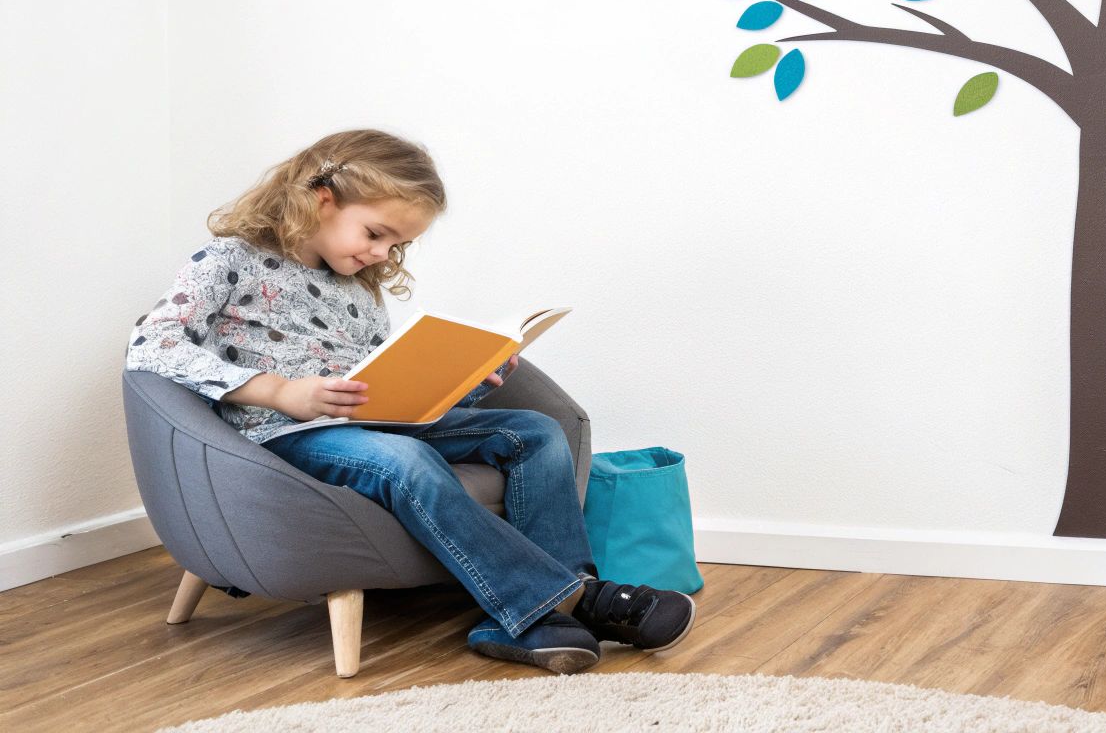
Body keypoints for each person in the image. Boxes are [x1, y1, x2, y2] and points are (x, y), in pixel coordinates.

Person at [125, 128, 694, 673]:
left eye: (397, 245)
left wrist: (470, 376)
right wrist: (279, 392)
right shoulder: (229, 259)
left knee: (535, 431)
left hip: (377, 422)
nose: (382, 254)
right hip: (285, 434)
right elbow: (151, 346)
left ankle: (534, 617)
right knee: (406, 463)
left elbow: (385, 377)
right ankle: (579, 600)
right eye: (375, 234)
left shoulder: (359, 288)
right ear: (320, 200)